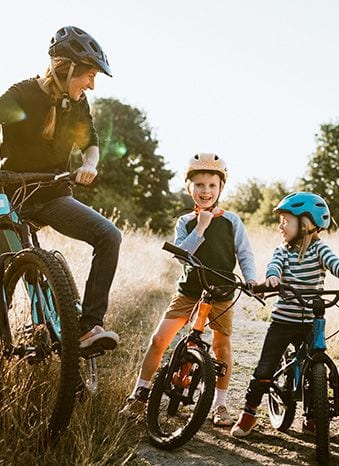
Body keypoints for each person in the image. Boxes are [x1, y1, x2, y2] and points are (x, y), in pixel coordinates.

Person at [0, 25, 121, 352]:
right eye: (89, 75)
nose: (92, 85)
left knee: (109, 235)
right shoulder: (20, 95)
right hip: (9, 197)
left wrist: (89, 164)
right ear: (66, 68)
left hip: (53, 195)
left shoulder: (78, 104)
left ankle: (89, 326)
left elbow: (91, 143)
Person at [120, 153, 257, 426]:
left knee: (221, 347)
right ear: (189, 188)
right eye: (199, 185)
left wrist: (251, 279)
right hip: (189, 291)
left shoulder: (232, 221)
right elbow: (182, 254)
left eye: (212, 186)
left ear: (220, 188)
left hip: (221, 293)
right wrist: (201, 228)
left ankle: (219, 405)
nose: (205, 191)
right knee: (159, 340)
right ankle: (140, 394)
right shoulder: (185, 222)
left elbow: (245, 254)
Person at [231, 192, 339, 438]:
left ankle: (312, 418)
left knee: (315, 369)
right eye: (280, 220)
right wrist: (273, 277)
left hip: (312, 322)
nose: (281, 226)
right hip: (283, 320)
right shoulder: (283, 252)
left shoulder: (319, 250)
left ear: (306, 224)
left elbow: (335, 264)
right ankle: (249, 413)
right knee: (265, 368)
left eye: (286, 220)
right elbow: (275, 265)